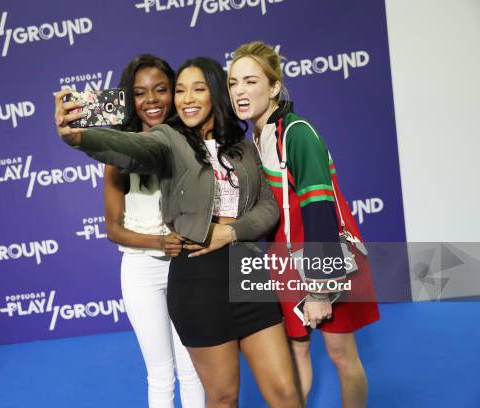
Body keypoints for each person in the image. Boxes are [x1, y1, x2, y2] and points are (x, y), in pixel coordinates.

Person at [55, 57, 302, 408]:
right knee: (221, 396)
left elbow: (269, 207)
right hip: (195, 282)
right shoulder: (168, 139)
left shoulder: (245, 147)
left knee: (286, 393)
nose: (186, 98)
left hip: (248, 275)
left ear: (216, 93)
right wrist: (79, 137)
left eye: (197, 89)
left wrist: (230, 233)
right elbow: (131, 148)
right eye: (181, 90)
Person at [227, 41, 380, 407]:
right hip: (283, 261)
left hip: (323, 256)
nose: (240, 92)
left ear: (274, 86)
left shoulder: (298, 133)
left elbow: (319, 209)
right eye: (233, 83)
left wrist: (320, 287)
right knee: (294, 354)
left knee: (342, 357)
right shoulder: (256, 136)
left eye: (250, 81)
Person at [83, 54, 205, 408]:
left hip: (188, 265)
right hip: (140, 271)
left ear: (175, 93)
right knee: (161, 373)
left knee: (194, 367)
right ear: (128, 100)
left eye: (161, 89)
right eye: (140, 93)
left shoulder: (193, 140)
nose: (151, 100)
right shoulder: (118, 149)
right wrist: (159, 242)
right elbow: (113, 229)